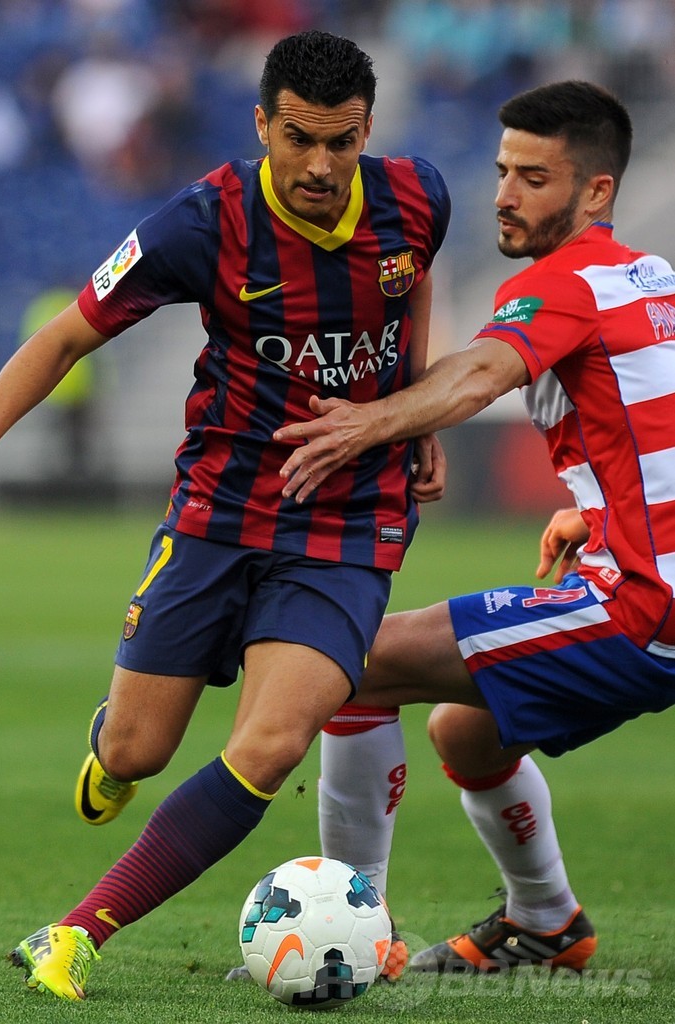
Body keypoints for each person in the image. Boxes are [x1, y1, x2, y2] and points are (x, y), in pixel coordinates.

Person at [0, 30, 450, 1000]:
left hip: (348, 522)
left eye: (342, 142)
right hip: (220, 508)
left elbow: (413, 281)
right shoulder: (200, 224)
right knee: (137, 750)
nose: (321, 165)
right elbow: (66, 336)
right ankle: (115, 742)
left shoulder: (418, 197)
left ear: (368, 129)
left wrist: (412, 409)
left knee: (271, 744)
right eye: (299, 139)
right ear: (260, 125)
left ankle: (73, 932)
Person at [272, 79, 675, 973]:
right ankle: (547, 923)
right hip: (649, 579)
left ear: (596, 191)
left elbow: (479, 375)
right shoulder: (651, 280)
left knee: (355, 663)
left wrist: (368, 423)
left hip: (646, 605)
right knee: (466, 730)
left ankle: (350, 933)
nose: (503, 195)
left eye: (533, 178)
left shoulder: (561, 283)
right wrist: (599, 513)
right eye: (501, 172)